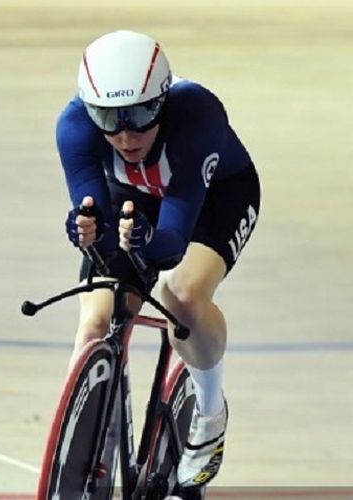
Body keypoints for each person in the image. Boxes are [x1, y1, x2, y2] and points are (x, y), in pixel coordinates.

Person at [57, 30, 261, 489]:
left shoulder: (198, 116)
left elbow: (170, 243)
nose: (126, 137)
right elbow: (97, 224)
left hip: (214, 198)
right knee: (97, 315)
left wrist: (147, 241)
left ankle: (209, 415)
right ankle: (85, 436)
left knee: (181, 294)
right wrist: (85, 230)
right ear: (89, 111)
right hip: (136, 199)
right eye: (109, 120)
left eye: (143, 116)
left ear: (164, 100)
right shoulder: (74, 128)